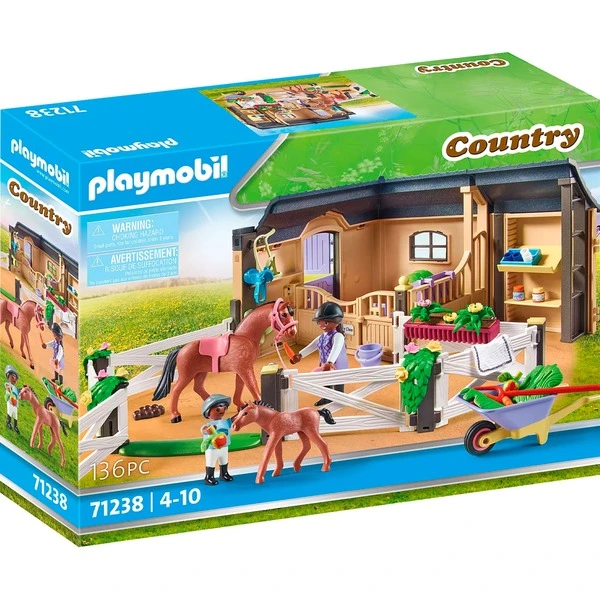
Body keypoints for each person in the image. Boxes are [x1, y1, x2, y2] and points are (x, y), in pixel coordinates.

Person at [291, 301, 348, 406]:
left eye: (325, 323)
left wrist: (330, 362)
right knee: (325, 380)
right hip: (324, 364)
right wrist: (300, 355)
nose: (322, 325)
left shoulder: (338, 336)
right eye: (319, 323)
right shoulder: (322, 337)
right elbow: (312, 346)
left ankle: (340, 398)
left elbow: (336, 349)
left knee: (338, 380)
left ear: (336, 321)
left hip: (337, 365)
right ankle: (326, 397)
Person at [201, 394, 234, 486]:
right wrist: (208, 430)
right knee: (211, 463)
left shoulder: (225, 422)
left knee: (224, 461)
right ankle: (209, 477)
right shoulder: (208, 425)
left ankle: (224, 474)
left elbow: (234, 419)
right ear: (208, 412)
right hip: (212, 449)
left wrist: (242, 412)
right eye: (218, 409)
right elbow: (204, 430)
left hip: (224, 447)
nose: (222, 410)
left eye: (224, 408)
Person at [4, 365, 20, 434]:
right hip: (10, 402)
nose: (14, 379)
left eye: (15, 378)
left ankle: (15, 426)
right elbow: (9, 390)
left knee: (15, 414)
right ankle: (8, 422)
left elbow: (18, 394)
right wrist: (12, 394)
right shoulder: (7, 384)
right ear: (8, 376)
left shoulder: (16, 388)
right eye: (12, 377)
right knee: (10, 412)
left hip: (15, 403)